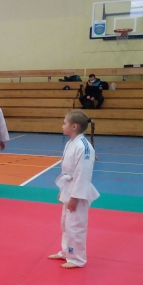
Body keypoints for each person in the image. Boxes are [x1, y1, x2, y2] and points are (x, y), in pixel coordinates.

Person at [48, 111, 99, 269]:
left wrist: (75, 197)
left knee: (75, 226)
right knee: (65, 224)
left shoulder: (84, 147)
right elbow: (67, 171)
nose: (62, 126)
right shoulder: (71, 143)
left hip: (78, 192)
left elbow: (83, 175)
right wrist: (63, 190)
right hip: (69, 188)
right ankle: (66, 252)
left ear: (74, 126)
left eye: (65, 123)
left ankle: (77, 258)